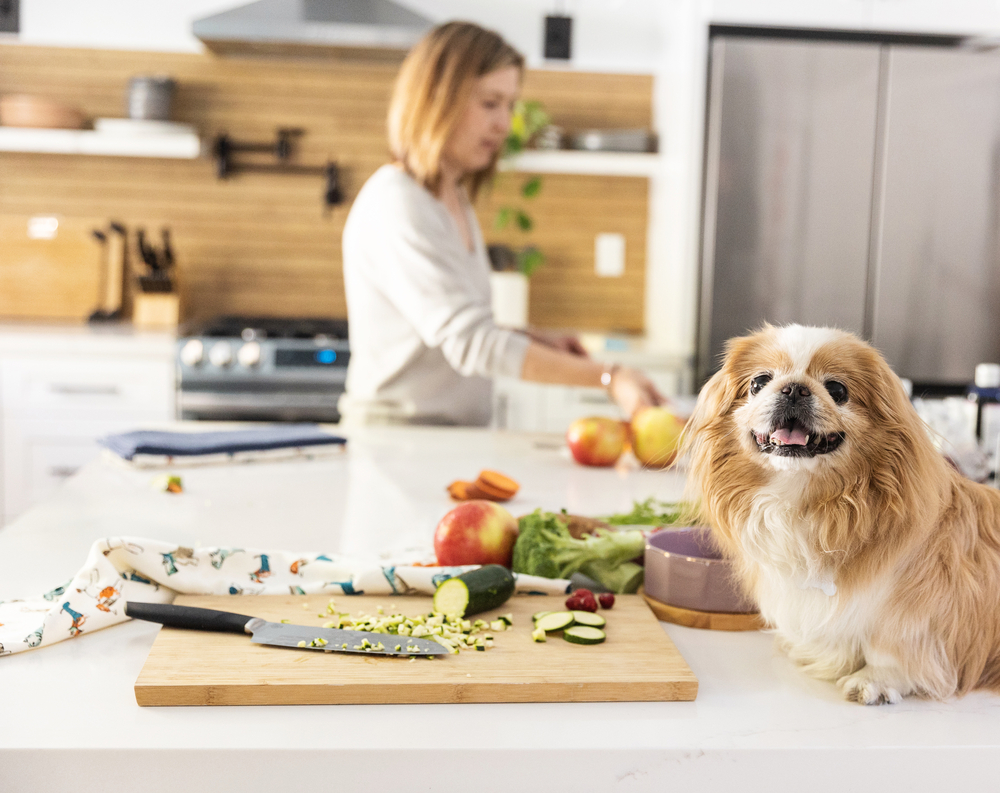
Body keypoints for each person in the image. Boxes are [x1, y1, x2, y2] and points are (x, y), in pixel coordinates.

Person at [339, 21, 664, 427]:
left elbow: (458, 324)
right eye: (490, 103)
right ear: (436, 99)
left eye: (509, 105)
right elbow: (471, 343)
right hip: (398, 441)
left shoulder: (450, 196)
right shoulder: (398, 203)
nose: (504, 124)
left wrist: (531, 338)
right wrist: (608, 378)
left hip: (437, 438)